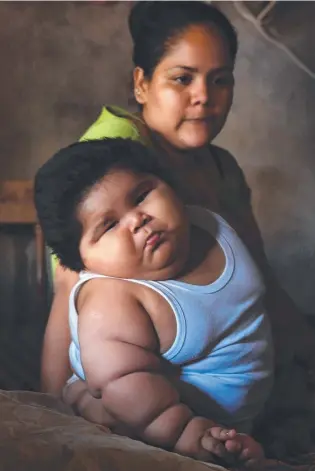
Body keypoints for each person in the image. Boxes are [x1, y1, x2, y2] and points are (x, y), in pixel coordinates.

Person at [41, 0, 315, 446]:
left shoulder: (221, 167)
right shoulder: (113, 159)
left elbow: (257, 274)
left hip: (224, 355)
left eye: (220, 80)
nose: (204, 95)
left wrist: (313, 348)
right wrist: (56, 411)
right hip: (138, 377)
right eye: (182, 78)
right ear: (141, 84)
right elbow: (73, 297)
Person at [35, 137, 273, 468]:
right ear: (83, 262)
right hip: (154, 414)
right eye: (109, 225)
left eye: (142, 195)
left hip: (245, 409)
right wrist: (188, 435)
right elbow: (125, 383)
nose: (137, 220)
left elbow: (251, 311)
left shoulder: (211, 225)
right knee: (108, 416)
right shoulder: (112, 301)